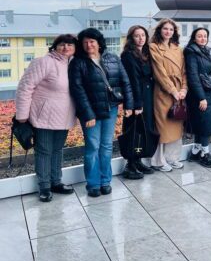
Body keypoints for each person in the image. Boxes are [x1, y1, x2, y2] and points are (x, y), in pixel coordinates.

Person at [69, 28, 133, 197]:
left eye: (92, 41)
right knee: (92, 147)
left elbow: (125, 81)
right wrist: (88, 114)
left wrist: (128, 104)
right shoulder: (77, 62)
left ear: (99, 43)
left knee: (106, 145)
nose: (89, 45)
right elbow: (77, 90)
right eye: (85, 42)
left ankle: (105, 181)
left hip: (111, 108)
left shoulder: (112, 58)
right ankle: (93, 184)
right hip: (91, 112)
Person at [16, 34, 78, 202]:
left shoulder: (73, 64)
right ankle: (44, 186)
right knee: (44, 151)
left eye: (70, 45)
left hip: (64, 116)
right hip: (43, 116)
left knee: (57, 150)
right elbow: (25, 87)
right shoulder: (43, 62)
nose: (66, 47)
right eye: (62, 44)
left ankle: (56, 182)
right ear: (55, 46)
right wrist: (22, 115)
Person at [149, 19, 187, 172]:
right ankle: (158, 161)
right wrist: (173, 90)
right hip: (163, 92)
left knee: (177, 124)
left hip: (179, 92)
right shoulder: (154, 47)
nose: (168, 32)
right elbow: (160, 73)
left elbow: (184, 71)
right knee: (162, 127)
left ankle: (173, 158)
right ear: (160, 30)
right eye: (165, 28)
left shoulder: (178, 48)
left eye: (171, 29)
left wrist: (184, 89)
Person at [120, 25, 156, 179]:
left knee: (143, 129)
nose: (141, 38)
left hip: (147, 95)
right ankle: (130, 164)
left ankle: (138, 161)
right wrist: (137, 104)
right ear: (131, 38)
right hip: (136, 97)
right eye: (137, 36)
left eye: (143, 35)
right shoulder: (128, 55)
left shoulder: (146, 53)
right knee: (133, 131)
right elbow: (133, 80)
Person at [184, 27, 211, 168]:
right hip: (200, 95)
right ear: (194, 38)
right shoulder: (191, 52)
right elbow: (193, 76)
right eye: (200, 36)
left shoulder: (204, 51)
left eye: (205, 36)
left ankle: (195, 151)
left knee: (202, 124)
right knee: (205, 125)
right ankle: (205, 154)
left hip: (209, 93)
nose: (203, 38)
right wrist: (201, 97)